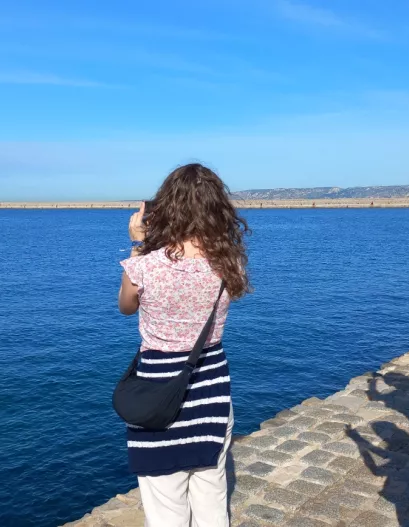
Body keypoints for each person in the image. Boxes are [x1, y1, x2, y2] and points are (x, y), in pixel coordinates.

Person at [118, 163, 250, 527]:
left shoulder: (146, 265)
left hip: (157, 397)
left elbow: (126, 307)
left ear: (166, 207)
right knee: (212, 502)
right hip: (211, 393)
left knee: (166, 511)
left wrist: (139, 244)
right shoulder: (228, 263)